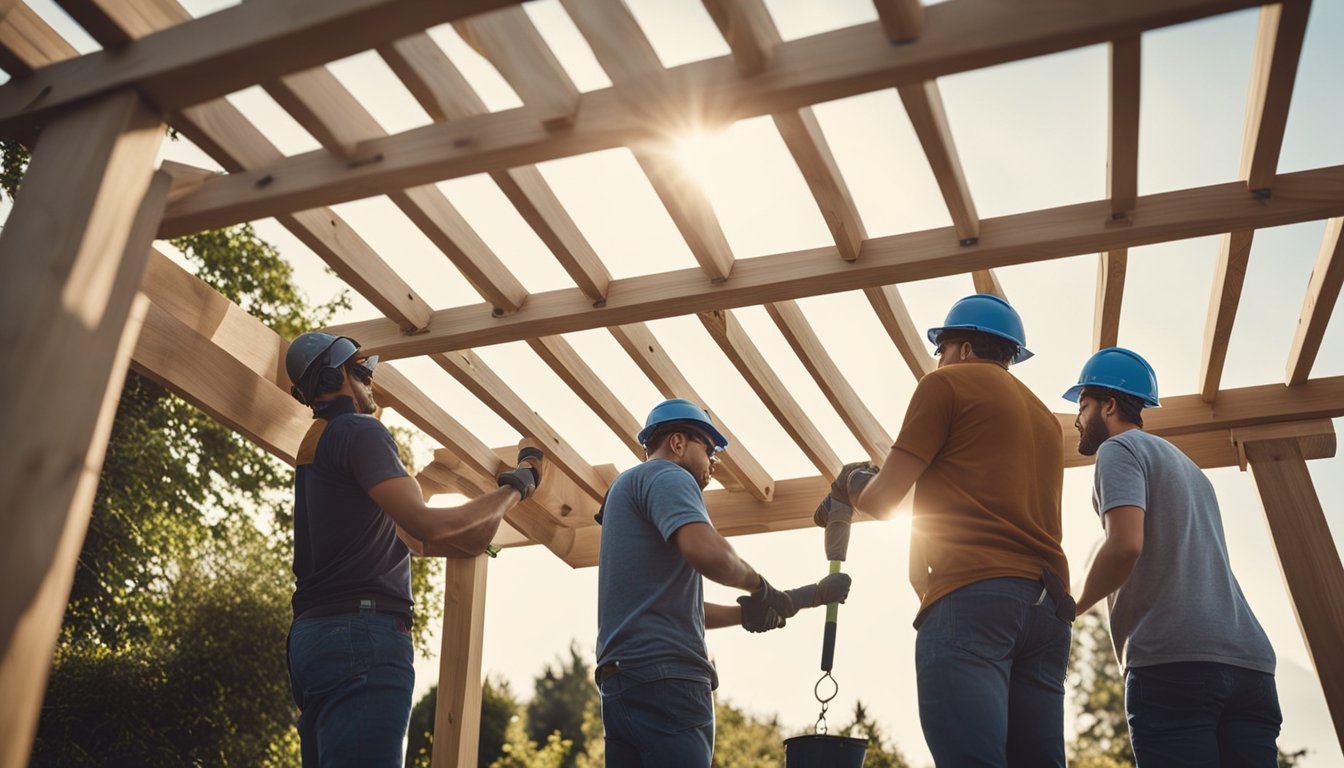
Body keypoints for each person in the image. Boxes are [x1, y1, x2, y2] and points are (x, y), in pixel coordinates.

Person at [816, 293, 1074, 767]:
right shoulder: (1046, 419)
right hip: (1048, 612)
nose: (939, 360)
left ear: (964, 348)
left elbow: (884, 500)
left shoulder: (946, 385)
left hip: (975, 599)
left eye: (941, 349)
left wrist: (850, 484)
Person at [283, 331, 544, 767]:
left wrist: (481, 498)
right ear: (338, 374)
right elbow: (425, 523)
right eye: (361, 372)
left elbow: (432, 539)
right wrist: (518, 488)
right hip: (362, 634)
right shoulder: (359, 430)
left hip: (315, 639)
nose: (370, 384)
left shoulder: (318, 443)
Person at [594, 398, 852, 768]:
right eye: (709, 448)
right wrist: (759, 586)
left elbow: (677, 608)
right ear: (678, 443)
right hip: (670, 681)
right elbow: (706, 550)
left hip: (622, 684)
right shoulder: (668, 475)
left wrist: (747, 612)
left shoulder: (625, 493)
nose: (714, 461)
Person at [1066, 347, 1280, 765]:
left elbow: (1125, 545)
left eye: (1083, 404)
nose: (1076, 418)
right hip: (1251, 665)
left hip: (1175, 663)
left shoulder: (1120, 450)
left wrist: (1070, 609)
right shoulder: (1190, 468)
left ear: (1109, 404)